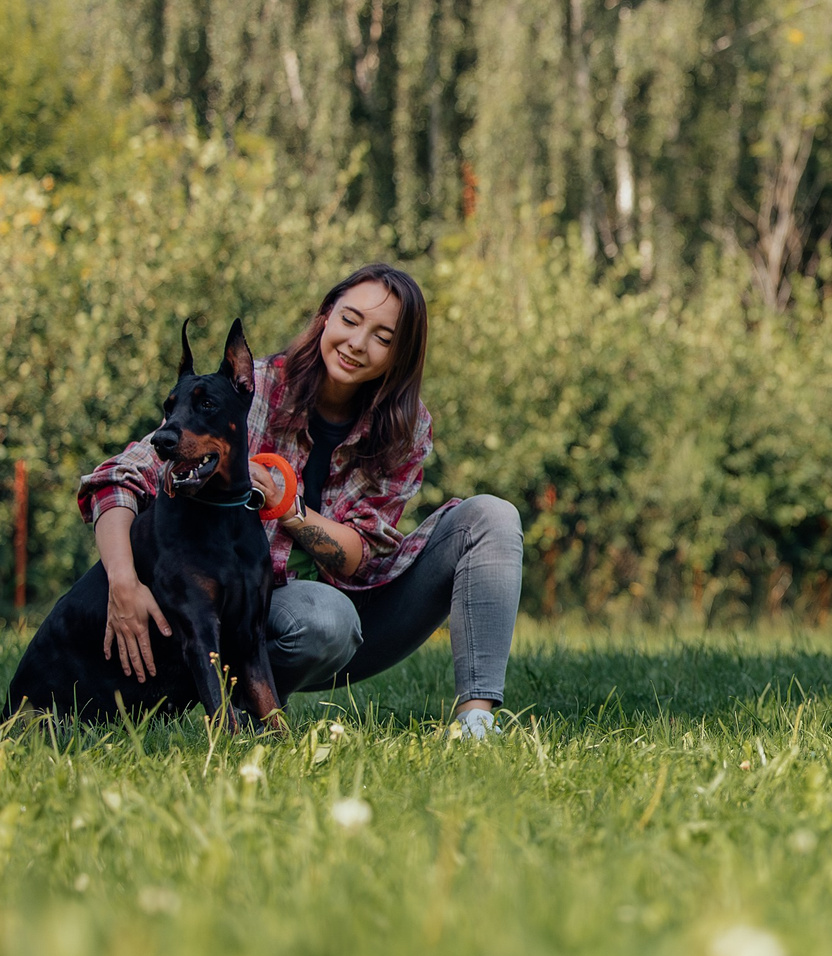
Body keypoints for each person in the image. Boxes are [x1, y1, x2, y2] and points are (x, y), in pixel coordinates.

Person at [76, 264, 523, 737]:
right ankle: (248, 713)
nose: (357, 343)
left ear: (400, 355)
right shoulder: (251, 389)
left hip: (366, 614)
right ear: (326, 315)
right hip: (270, 614)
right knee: (325, 618)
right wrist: (122, 581)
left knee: (492, 516)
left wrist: (284, 504)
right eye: (350, 320)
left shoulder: (406, 428)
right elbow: (118, 475)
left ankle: (476, 723)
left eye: (382, 337)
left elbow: (357, 556)